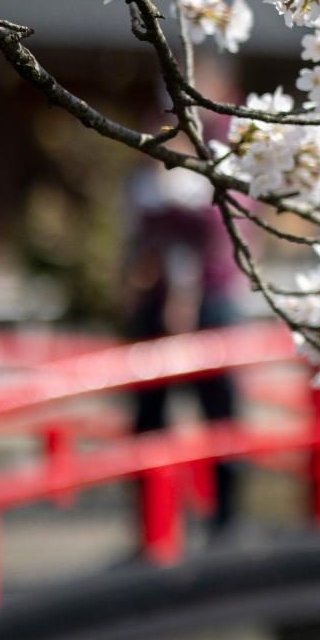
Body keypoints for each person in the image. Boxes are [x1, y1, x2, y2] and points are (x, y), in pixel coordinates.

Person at [123, 159, 247, 538]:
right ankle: (159, 528)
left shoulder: (212, 173)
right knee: (153, 421)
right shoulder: (146, 183)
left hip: (208, 306)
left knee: (218, 417)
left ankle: (221, 523)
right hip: (161, 306)